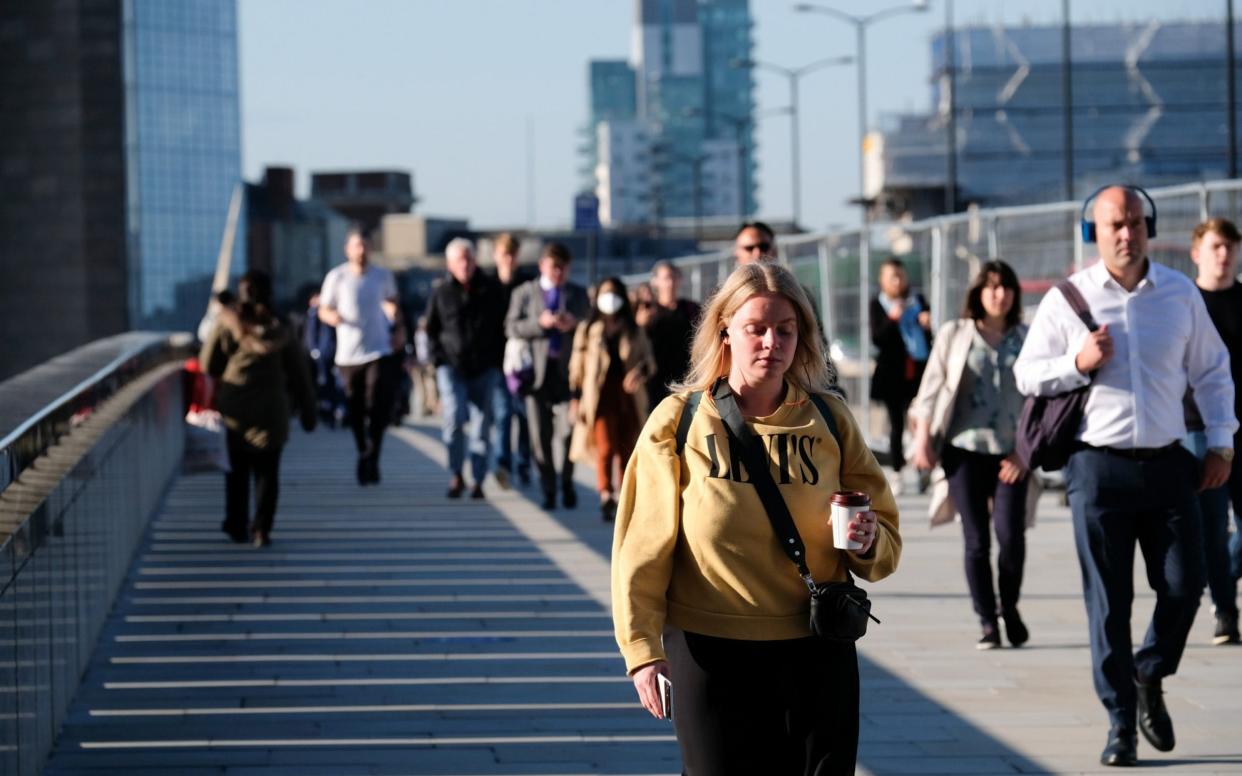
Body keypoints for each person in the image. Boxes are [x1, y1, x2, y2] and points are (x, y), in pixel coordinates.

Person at [612, 261, 901, 775]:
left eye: (785, 330)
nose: (772, 342)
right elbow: (641, 546)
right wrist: (642, 649)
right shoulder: (679, 421)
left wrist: (867, 540)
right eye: (756, 329)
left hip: (816, 648)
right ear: (724, 331)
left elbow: (884, 539)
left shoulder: (830, 419)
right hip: (709, 651)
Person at [1014, 186, 1235, 767]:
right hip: (1098, 469)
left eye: (1135, 222)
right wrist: (1076, 363)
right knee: (1108, 606)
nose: (1126, 233)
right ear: (1095, 231)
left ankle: (1149, 672)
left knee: (1188, 585)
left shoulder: (1180, 294)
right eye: (1114, 223)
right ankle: (1119, 724)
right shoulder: (1069, 299)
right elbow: (1028, 374)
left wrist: (1221, 443)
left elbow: (1213, 372)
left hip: (1168, 464)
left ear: (1149, 227)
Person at [910, 260, 1032, 649]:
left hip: (1013, 454)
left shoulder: (1027, 337)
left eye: (1006, 287)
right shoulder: (956, 333)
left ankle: (1008, 606)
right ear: (978, 293)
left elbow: (1040, 398)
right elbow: (930, 388)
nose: (999, 294)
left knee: (1011, 536)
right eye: (992, 286)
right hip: (964, 449)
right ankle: (987, 621)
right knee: (977, 539)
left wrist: (1028, 450)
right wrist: (923, 439)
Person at [200, 270, 316, 548]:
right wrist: (309, 410)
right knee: (267, 471)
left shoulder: (227, 323)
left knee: (237, 469)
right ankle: (262, 529)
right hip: (272, 408)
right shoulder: (282, 326)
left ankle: (237, 524)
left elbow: (208, 364)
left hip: (235, 408)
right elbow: (298, 372)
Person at [1184, 217, 1242, 645]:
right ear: (1197, 253)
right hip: (1199, 429)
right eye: (1217, 247)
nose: (1224, 255)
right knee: (1211, 525)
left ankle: (1219, 573)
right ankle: (1226, 611)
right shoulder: (1184, 301)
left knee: (1227, 540)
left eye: (1230, 247)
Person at [505, 242, 591, 510]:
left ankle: (566, 479)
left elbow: (591, 324)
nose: (559, 273)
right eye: (555, 267)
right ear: (542, 265)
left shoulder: (577, 294)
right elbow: (510, 326)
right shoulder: (525, 293)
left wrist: (574, 324)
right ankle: (549, 488)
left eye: (564, 268)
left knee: (568, 432)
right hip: (535, 374)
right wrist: (538, 324)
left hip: (568, 374)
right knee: (539, 437)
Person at [318, 226, 404, 486]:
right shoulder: (337, 277)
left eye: (365, 245)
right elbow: (324, 309)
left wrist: (396, 320)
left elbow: (393, 303)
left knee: (376, 404)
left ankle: (373, 455)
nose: (362, 250)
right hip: (348, 354)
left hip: (378, 349)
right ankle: (362, 451)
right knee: (355, 408)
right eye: (357, 245)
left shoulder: (382, 275)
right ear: (347, 249)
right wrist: (332, 317)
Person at [568, 277, 656, 522]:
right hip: (599, 398)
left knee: (627, 448)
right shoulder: (588, 329)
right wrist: (575, 398)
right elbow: (576, 367)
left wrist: (639, 372)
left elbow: (649, 361)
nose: (610, 299)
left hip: (628, 396)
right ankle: (606, 494)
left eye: (614, 293)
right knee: (605, 447)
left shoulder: (633, 329)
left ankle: (623, 495)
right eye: (605, 293)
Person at [425, 237, 506, 499]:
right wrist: (437, 359)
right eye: (460, 259)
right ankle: (456, 472)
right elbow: (431, 330)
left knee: (482, 426)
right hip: (451, 365)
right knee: (454, 418)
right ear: (449, 263)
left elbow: (503, 327)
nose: (465, 264)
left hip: (485, 367)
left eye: (469, 258)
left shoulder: (492, 289)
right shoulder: (441, 292)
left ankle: (479, 479)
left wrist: (498, 361)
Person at [870, 257, 933, 493]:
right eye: (891, 277)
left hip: (917, 372)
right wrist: (893, 319)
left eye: (901, 276)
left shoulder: (917, 301)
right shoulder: (879, 304)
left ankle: (922, 471)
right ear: (882, 281)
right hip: (892, 376)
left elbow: (928, 338)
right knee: (897, 425)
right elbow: (877, 338)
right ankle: (897, 473)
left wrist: (927, 324)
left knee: (920, 423)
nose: (897, 281)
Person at [490, 233, 534, 488]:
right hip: (497, 362)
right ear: (496, 255)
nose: (508, 259)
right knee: (503, 413)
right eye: (504, 253)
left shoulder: (527, 285)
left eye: (512, 254)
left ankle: (524, 464)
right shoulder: (487, 285)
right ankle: (503, 465)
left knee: (525, 416)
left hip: (523, 363)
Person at [642, 261, 701, 407]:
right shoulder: (647, 311)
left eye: (674, 277)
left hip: (686, 378)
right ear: (655, 282)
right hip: (655, 381)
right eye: (666, 278)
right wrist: (641, 325)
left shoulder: (691, 309)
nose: (670, 282)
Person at [303, 290, 345, 429]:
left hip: (338, 352)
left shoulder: (335, 311)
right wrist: (315, 350)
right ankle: (327, 412)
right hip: (324, 353)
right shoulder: (315, 312)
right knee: (325, 382)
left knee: (339, 383)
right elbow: (311, 333)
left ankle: (340, 411)